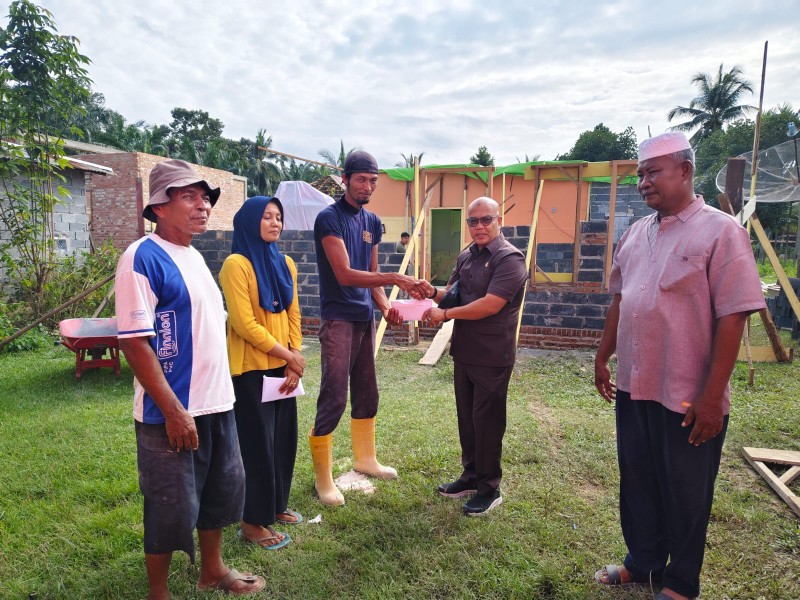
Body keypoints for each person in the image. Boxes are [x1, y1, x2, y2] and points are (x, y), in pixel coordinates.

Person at [593, 132, 766, 600]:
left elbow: (735, 314)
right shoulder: (634, 233)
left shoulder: (720, 231)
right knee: (639, 477)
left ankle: (681, 583)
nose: (644, 182)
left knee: (686, 491)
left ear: (685, 171)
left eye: (654, 172)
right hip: (635, 383)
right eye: (641, 174)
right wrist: (602, 355)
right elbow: (619, 299)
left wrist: (713, 396)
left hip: (689, 392)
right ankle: (643, 562)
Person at [115, 159, 264, 598]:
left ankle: (213, 570)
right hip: (172, 412)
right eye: (189, 197)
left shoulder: (196, 255)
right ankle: (158, 591)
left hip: (217, 402)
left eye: (205, 198)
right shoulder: (141, 258)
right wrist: (175, 410)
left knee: (222, 491)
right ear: (160, 206)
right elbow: (136, 343)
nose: (203, 207)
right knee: (170, 505)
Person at [310, 150, 431, 506]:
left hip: (364, 316)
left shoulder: (373, 222)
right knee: (334, 394)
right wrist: (397, 278)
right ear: (345, 179)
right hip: (338, 318)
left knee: (367, 391)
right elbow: (346, 274)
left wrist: (386, 305)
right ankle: (324, 479)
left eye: (373, 181)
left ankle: (365, 460)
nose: (368, 186)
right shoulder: (328, 219)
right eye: (361, 179)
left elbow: (372, 278)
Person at [422, 197, 528, 516]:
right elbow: (452, 294)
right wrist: (430, 292)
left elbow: (490, 304)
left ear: (499, 222)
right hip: (465, 352)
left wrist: (445, 314)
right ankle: (470, 477)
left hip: (493, 355)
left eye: (486, 220)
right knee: (467, 419)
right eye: (473, 221)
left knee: (488, 422)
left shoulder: (509, 259)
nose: (479, 226)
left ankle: (489, 487)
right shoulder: (466, 256)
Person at [219, 196, 305, 551]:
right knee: (256, 447)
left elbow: (294, 313)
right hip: (251, 370)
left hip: (283, 367)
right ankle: (252, 523)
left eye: (279, 217)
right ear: (250, 221)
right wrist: (287, 354)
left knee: (283, 441)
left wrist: (294, 357)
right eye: (267, 216)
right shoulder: (236, 264)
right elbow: (243, 323)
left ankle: (275, 505)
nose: (275, 222)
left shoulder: (285, 262)